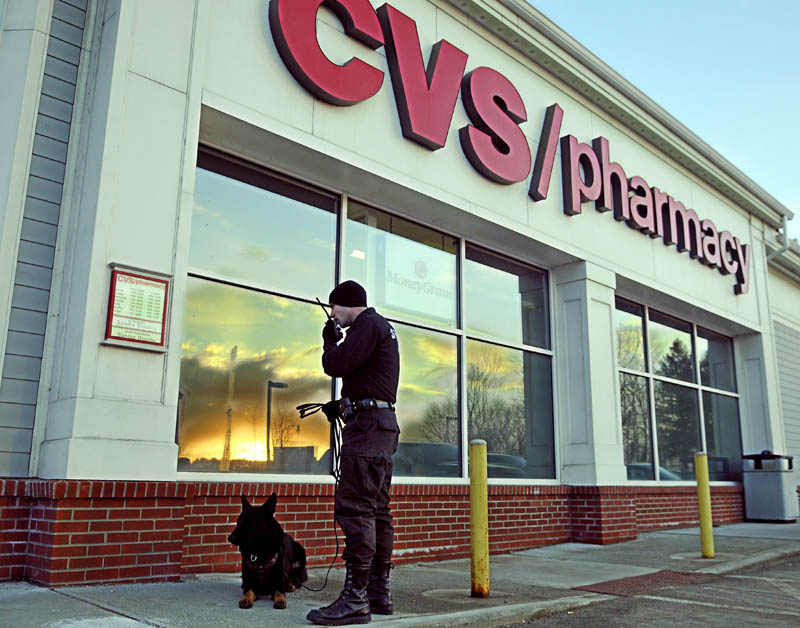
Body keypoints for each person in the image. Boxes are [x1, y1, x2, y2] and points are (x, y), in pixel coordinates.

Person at [306, 280, 400, 626]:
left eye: (334, 308)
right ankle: (377, 593)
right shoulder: (380, 328)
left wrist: (330, 341)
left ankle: (356, 599)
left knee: (356, 507)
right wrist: (345, 404)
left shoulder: (367, 325)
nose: (333, 315)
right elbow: (368, 379)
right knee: (377, 510)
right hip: (380, 425)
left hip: (368, 431)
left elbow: (336, 364)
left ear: (346, 304)